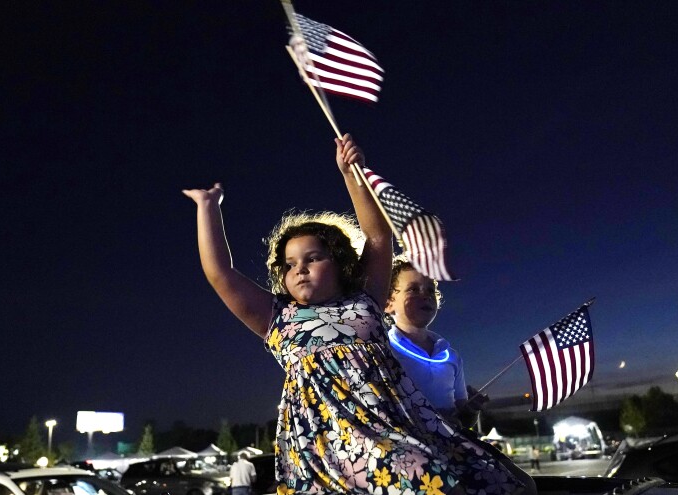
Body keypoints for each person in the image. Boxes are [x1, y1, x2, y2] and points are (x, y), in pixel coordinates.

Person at [183, 134, 530, 495]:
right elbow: (220, 273)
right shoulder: (278, 318)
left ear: (340, 263)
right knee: (428, 480)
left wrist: (352, 175)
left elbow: (378, 236)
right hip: (335, 442)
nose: (299, 269)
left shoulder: (365, 300)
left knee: (506, 481)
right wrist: (208, 207)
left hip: (399, 425)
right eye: (289, 264)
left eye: (313, 258)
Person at [384, 255, 487, 427]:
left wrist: (471, 410)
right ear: (388, 304)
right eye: (413, 289)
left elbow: (464, 419)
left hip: (449, 450)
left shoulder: (451, 356)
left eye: (430, 290)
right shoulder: (383, 352)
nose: (425, 295)